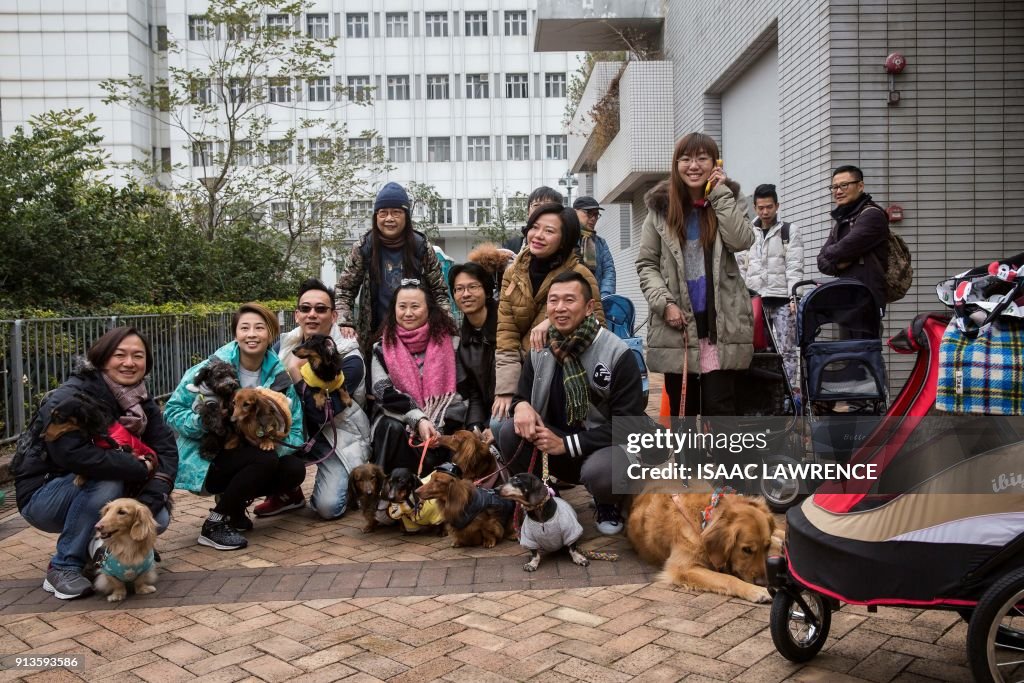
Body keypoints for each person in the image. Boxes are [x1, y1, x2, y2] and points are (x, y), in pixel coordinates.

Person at [14, 327, 178, 600]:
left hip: (98, 489)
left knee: (154, 518)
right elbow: (73, 455)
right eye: (120, 355)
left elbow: (167, 452)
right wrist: (139, 468)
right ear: (101, 358)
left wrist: (146, 504)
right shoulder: (71, 398)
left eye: (138, 356)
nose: (129, 363)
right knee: (105, 479)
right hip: (43, 495)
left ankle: (103, 552)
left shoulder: (139, 399)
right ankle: (63, 566)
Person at [498, 271, 644, 535]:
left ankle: (608, 501)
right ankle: (543, 498)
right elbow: (521, 396)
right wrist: (520, 406)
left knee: (601, 472)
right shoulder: (540, 349)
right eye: (553, 301)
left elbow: (629, 425)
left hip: (602, 448)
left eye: (569, 300)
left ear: (589, 307)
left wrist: (566, 444)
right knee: (508, 431)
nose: (560, 308)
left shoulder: (617, 353)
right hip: (552, 443)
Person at [166, 303, 305, 551]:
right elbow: (172, 411)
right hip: (210, 456)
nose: (252, 334)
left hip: (251, 455)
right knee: (263, 461)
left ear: (271, 333)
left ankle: (235, 503)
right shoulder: (211, 369)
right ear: (235, 333)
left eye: (259, 328)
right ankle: (215, 523)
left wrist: (270, 444)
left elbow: (295, 430)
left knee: (292, 468)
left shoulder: (279, 376)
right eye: (245, 328)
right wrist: (206, 422)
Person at [636, 132, 755, 418]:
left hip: (720, 324)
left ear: (716, 163)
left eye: (703, 158)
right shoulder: (659, 209)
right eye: (686, 158)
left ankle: (728, 465)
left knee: (721, 409)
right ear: (676, 164)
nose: (694, 165)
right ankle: (691, 465)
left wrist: (719, 194)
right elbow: (646, 264)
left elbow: (742, 241)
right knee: (684, 412)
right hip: (677, 325)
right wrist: (664, 303)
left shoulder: (730, 199)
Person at [266, 278, 370, 520]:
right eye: (305, 308)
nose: (312, 314)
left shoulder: (349, 357)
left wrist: (296, 373)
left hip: (336, 436)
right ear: (297, 315)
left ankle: (351, 481)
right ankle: (287, 492)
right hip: (294, 432)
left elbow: (324, 415)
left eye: (321, 309)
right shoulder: (284, 345)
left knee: (328, 507)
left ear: (334, 316)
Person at [493, 204, 605, 422]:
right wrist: (508, 391)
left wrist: (553, 321)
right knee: (499, 424)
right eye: (535, 227)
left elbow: (598, 325)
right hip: (525, 373)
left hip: (566, 371)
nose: (538, 236)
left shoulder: (580, 275)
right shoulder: (512, 273)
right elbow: (506, 334)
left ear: (565, 239)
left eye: (549, 231)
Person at [335, 182, 451, 357]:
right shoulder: (364, 247)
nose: (389, 219)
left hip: (417, 336)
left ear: (406, 216)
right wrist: (345, 322)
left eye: (396, 212)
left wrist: (444, 324)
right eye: (383, 213)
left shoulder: (421, 247)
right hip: (375, 335)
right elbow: (345, 290)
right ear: (376, 217)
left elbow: (439, 292)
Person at [369, 280, 467, 473]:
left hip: (445, 424)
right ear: (393, 309)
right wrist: (419, 419)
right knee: (390, 427)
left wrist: (438, 425)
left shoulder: (453, 344)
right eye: (402, 306)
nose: (408, 313)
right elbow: (383, 392)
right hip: (401, 423)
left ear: (429, 309)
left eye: (415, 306)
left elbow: (463, 390)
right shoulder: (381, 348)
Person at [738, 183, 803, 401]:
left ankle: (787, 393)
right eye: (760, 207)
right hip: (757, 300)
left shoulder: (788, 231)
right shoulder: (748, 232)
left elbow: (794, 266)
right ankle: (767, 394)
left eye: (769, 207)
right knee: (760, 350)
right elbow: (740, 266)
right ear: (755, 207)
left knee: (787, 349)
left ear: (777, 205)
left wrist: (794, 296)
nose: (765, 212)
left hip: (783, 300)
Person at [817, 165, 890, 311]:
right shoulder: (843, 219)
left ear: (860, 186)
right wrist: (838, 264)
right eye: (834, 187)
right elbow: (821, 261)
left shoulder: (871, 215)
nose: (838, 191)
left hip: (866, 298)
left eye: (844, 185)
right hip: (846, 296)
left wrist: (835, 255)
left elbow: (838, 251)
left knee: (865, 334)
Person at [449, 258, 498, 442]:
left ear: (486, 291)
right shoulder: (464, 341)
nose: (465, 294)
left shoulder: (507, 326)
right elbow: (474, 392)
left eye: (473, 287)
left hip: (513, 412)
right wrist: (475, 426)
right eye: (459, 289)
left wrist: (494, 425)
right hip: (488, 416)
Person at [572, 196, 616, 297]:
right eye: (589, 213)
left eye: (596, 215)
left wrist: (605, 296)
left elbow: (609, 271)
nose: (593, 218)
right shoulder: (566, 238)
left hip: (595, 299)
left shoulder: (600, 243)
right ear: (574, 212)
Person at [503, 186, 564, 253]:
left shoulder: (568, 251)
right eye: (536, 205)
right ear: (528, 212)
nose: (541, 210)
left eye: (548, 206)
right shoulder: (512, 246)